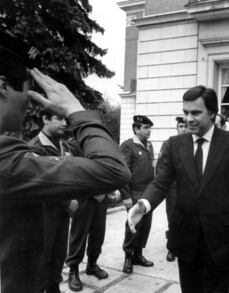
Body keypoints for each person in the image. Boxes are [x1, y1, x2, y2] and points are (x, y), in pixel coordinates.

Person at [0, 31, 130, 293]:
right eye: (27, 92)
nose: (29, 104)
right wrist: (76, 111)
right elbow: (113, 170)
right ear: (3, 87)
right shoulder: (5, 157)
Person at [128, 85, 229, 293]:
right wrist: (143, 204)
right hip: (186, 239)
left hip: (220, 240)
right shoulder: (174, 144)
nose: (188, 119)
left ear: (212, 113)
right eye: (185, 112)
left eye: (195, 112)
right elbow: (161, 183)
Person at [29, 109, 79, 293]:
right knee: (43, 256)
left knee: (58, 255)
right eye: (59, 119)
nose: (65, 123)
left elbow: (71, 174)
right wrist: (68, 201)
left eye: (66, 119)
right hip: (43, 214)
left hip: (62, 214)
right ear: (45, 119)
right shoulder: (34, 148)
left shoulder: (64, 146)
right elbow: (41, 184)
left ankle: (53, 287)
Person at [121, 115, 155, 274]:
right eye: (146, 128)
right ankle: (128, 257)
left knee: (146, 225)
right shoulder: (128, 146)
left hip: (148, 192)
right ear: (136, 129)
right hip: (134, 192)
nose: (149, 131)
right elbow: (123, 172)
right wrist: (126, 195)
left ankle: (138, 254)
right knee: (133, 224)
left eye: (150, 128)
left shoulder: (149, 145)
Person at [66, 192, 113, 290]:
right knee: (79, 235)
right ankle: (73, 270)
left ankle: (92, 265)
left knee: (98, 233)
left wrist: (105, 192)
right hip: (83, 197)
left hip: (101, 199)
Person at [161, 116, 187, 262]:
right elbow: (162, 168)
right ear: (177, 128)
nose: (184, 129)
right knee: (172, 218)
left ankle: (184, 246)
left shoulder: (193, 143)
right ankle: (171, 248)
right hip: (173, 189)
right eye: (181, 126)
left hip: (189, 189)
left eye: (185, 126)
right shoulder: (168, 144)